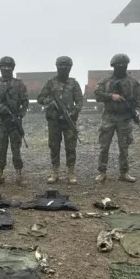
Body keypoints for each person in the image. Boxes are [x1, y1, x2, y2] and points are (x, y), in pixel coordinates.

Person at [93, 53, 140, 183]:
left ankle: (124, 173)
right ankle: (102, 172)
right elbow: (97, 94)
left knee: (124, 146)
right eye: (118, 66)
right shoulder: (106, 81)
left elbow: (139, 98)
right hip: (109, 116)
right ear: (113, 66)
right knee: (104, 146)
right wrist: (111, 96)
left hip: (125, 118)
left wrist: (137, 111)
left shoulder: (133, 82)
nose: (120, 68)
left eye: (123, 65)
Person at [37, 56, 84, 184]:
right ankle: (54, 171)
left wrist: (73, 112)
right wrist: (50, 102)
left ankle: (71, 172)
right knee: (54, 146)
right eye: (61, 65)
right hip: (54, 121)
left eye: (66, 66)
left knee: (70, 147)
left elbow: (80, 101)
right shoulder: (51, 83)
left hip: (69, 121)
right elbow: (40, 98)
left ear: (70, 67)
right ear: (57, 66)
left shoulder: (74, 83)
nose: (63, 68)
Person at [0, 56, 29, 186]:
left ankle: (19, 175)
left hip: (14, 122)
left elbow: (25, 101)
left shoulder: (18, 84)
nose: (6, 68)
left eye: (8, 66)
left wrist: (20, 115)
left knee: (16, 149)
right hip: (1, 122)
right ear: (0, 68)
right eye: (3, 66)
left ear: (12, 68)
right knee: (1, 150)